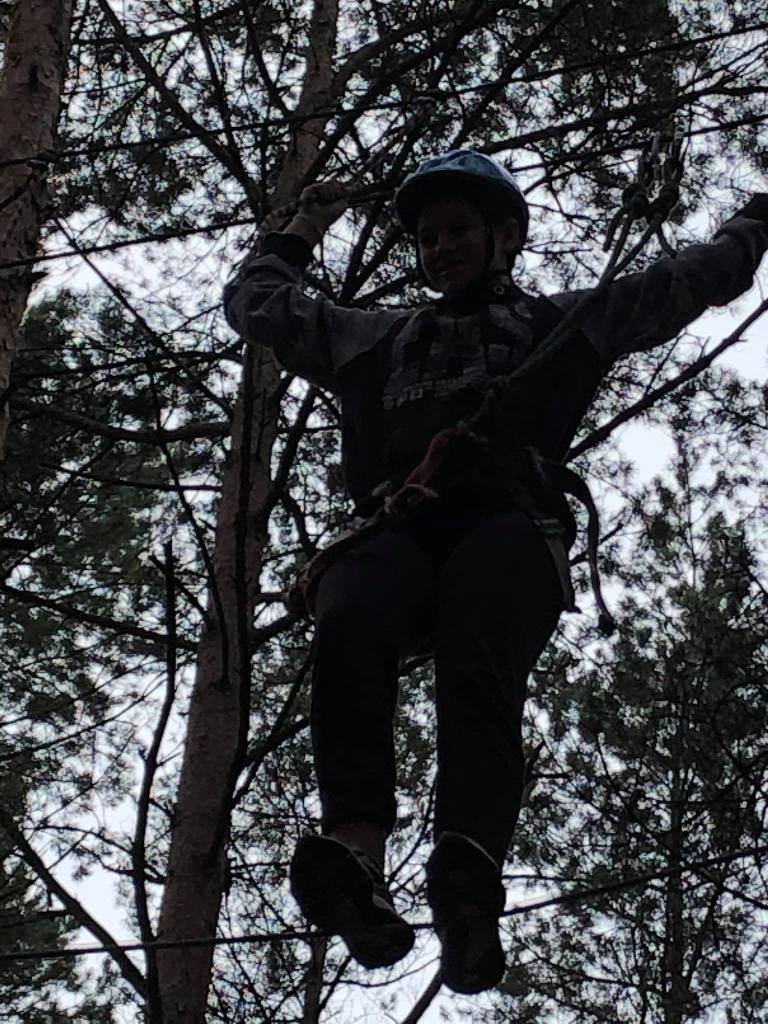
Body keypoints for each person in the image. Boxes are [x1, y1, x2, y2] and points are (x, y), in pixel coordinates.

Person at [224, 150, 768, 994]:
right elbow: (257, 303)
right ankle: (355, 852)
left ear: (505, 236)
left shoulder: (561, 323)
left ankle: (467, 866)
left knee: (480, 638)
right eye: (428, 238)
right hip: (402, 529)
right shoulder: (374, 338)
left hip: (509, 521)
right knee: (350, 606)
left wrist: (757, 218)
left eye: (459, 230)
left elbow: (688, 280)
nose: (441, 248)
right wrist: (303, 227)